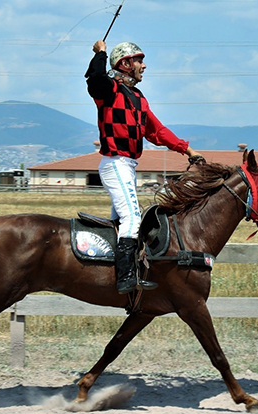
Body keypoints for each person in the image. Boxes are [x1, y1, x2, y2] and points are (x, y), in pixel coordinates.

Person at [85, 39, 204, 294]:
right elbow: (94, 79)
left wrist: (188, 150)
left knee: (120, 222)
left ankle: (105, 274)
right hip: (115, 162)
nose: (144, 66)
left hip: (127, 165)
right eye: (139, 60)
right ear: (126, 64)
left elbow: (157, 131)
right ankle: (126, 279)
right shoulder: (108, 89)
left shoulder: (139, 98)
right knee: (133, 218)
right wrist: (101, 53)